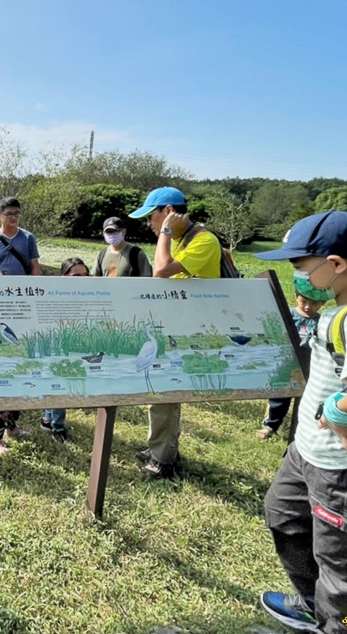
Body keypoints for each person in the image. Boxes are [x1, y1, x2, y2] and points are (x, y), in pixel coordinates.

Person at [253, 211, 347, 634]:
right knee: (283, 514)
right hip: (308, 455)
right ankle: (311, 605)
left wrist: (338, 410)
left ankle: (338, 624)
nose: (298, 277)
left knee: (346, 576)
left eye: (301, 267)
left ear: (335, 265)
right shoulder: (338, 309)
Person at [128, 186, 221, 479]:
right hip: (176, 327)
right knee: (160, 391)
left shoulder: (203, 241)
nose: (149, 224)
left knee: (165, 392)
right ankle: (162, 447)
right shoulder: (184, 240)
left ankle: (163, 459)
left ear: (167, 211)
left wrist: (165, 232)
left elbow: (161, 270)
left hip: (192, 331)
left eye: (151, 217)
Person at [0, 197, 40, 454]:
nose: (13, 217)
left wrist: (37, 299)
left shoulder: (28, 239)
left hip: (24, 309)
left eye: (17, 213)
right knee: (2, 367)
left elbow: (35, 270)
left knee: (23, 366)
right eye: (9, 213)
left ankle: (12, 423)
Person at [257, 291, 326, 439]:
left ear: (323, 303)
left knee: (307, 400)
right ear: (296, 297)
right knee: (279, 397)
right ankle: (270, 425)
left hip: (308, 368)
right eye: (304, 301)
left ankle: (302, 429)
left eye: (314, 303)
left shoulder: (322, 322)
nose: (308, 307)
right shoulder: (287, 315)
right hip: (284, 365)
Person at [41, 258, 90, 443]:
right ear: (64, 276)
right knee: (60, 380)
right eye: (76, 275)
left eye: (86, 275)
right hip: (59, 344)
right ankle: (58, 428)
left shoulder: (90, 296)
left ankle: (48, 418)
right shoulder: (55, 296)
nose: (82, 279)